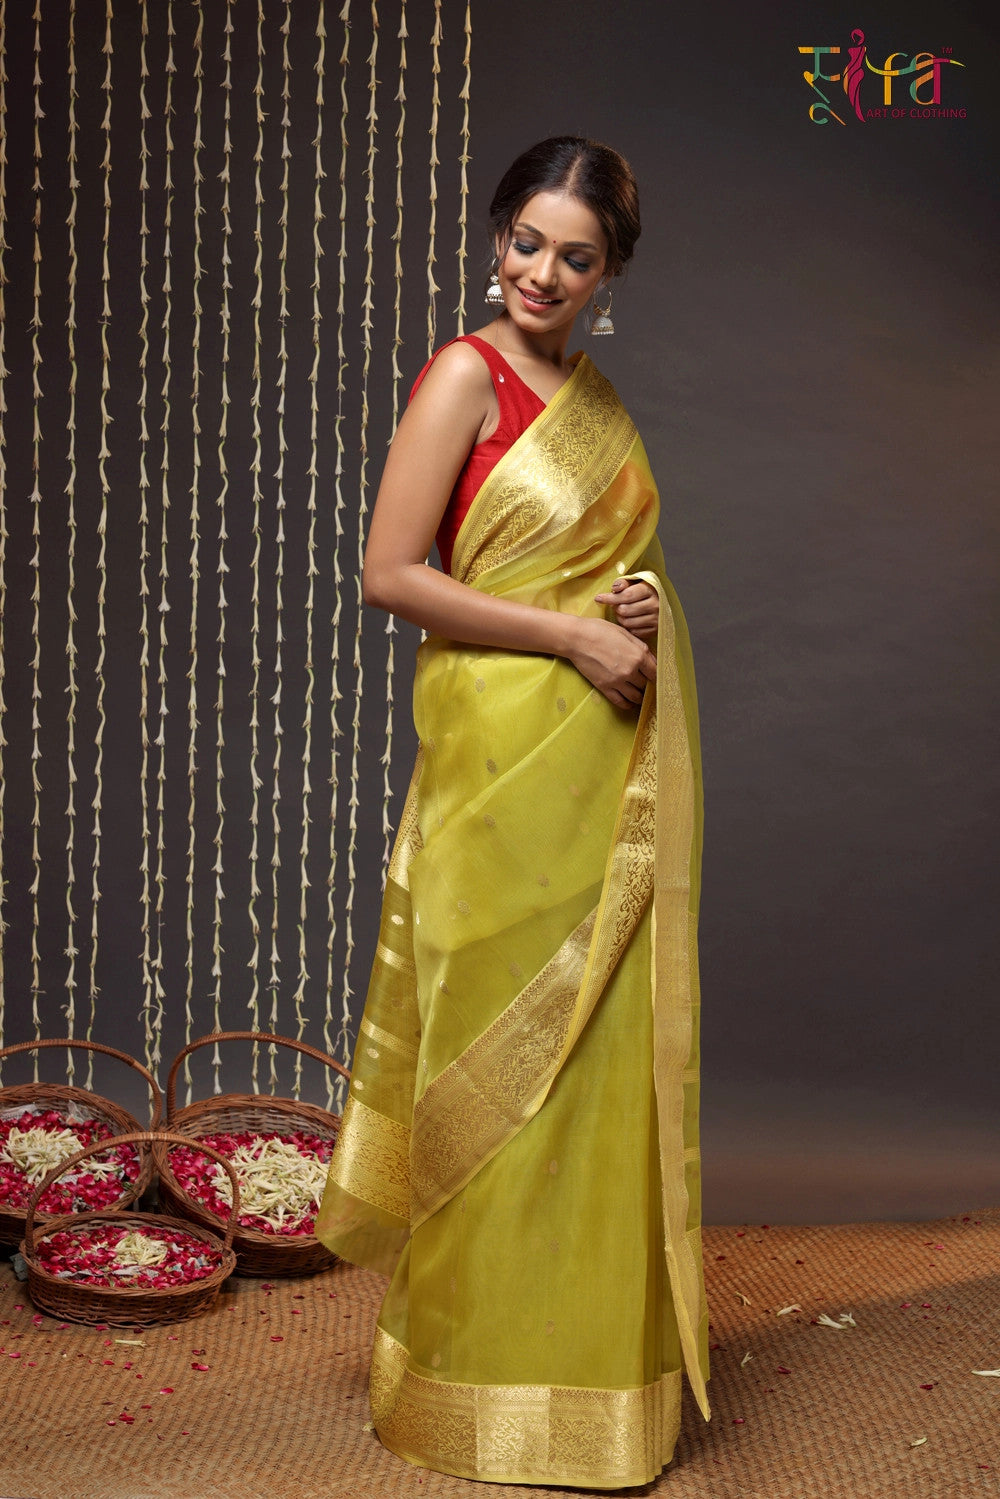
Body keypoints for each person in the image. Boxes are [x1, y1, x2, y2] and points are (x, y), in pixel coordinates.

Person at [316, 136, 709, 1489]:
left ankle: (585, 1384)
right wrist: (572, 638)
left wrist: (638, 609)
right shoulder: (462, 378)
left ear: (611, 275)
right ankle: (466, 1383)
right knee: (489, 1064)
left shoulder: (596, 401)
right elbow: (390, 572)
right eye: (526, 242)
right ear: (496, 239)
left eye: (573, 256)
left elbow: (606, 571)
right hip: (497, 771)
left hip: (597, 773)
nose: (541, 272)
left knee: (591, 1074)